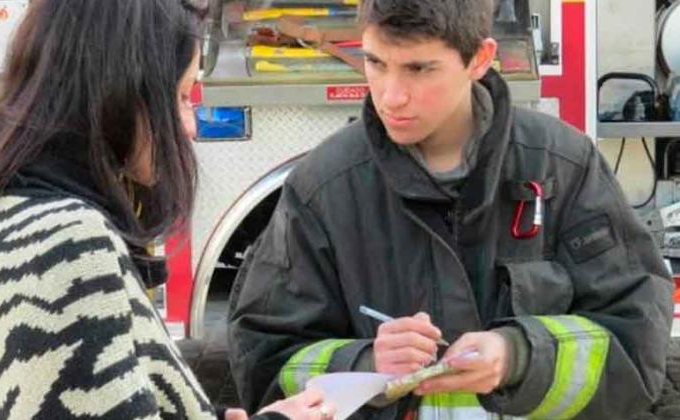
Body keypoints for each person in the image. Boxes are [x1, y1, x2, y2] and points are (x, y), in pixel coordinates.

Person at [227, 0, 674, 418]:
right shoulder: (324, 185)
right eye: (375, 63)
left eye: (419, 69)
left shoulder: (563, 167)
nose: (391, 96)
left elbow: (638, 344)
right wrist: (365, 362)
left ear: (479, 59)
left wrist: (519, 356)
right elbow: (264, 360)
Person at [0, 1, 334, 419]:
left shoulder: (16, 212)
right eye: (179, 96)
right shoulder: (65, 245)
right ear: (118, 94)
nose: (190, 125)